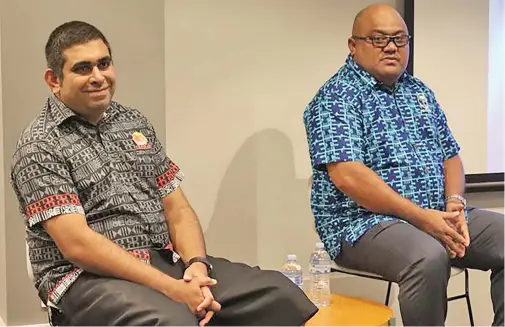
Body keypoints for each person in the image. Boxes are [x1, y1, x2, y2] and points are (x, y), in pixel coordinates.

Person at [10, 21, 318, 326]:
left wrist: (197, 267)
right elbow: (77, 245)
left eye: (104, 64)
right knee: (173, 321)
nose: (98, 77)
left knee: (280, 295)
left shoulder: (132, 122)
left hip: (164, 262)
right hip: (86, 280)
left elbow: (177, 208)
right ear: (54, 79)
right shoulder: (40, 145)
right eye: (83, 68)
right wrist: (172, 289)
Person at [303, 3, 503, 326]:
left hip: (435, 214)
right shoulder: (336, 98)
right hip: (362, 225)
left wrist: (454, 205)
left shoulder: (418, 92)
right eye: (379, 39)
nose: (392, 47)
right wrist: (422, 219)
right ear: (353, 46)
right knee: (427, 257)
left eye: (400, 39)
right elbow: (349, 177)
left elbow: (451, 157)